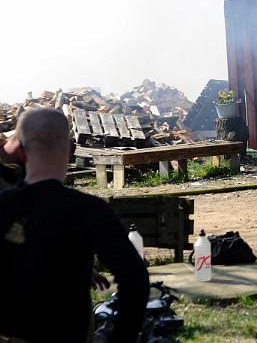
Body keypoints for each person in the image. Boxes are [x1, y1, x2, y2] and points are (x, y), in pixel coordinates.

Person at [0, 109, 149, 343]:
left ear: (20, 150)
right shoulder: (90, 210)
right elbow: (135, 280)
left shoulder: (4, 205)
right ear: (71, 149)